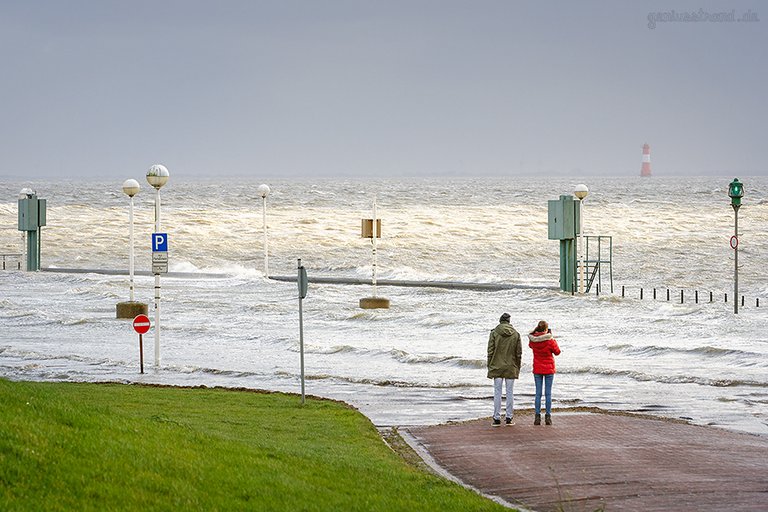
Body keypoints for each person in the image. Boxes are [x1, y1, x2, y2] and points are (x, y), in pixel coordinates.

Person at [487, 313, 522, 427]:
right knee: (509, 392)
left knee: (497, 392)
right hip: (511, 366)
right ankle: (509, 417)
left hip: (497, 365)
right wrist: (517, 366)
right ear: (509, 321)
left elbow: (490, 351)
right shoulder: (516, 334)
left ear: (500, 321)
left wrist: (489, 366)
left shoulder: (494, 333)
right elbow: (518, 353)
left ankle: (496, 418)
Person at [528, 320, 561, 425]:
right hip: (548, 369)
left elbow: (530, 346)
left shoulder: (533, 340)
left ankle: (537, 417)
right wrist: (552, 338)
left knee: (538, 394)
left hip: (537, 368)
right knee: (548, 394)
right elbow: (557, 352)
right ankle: (548, 417)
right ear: (546, 329)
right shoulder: (550, 340)